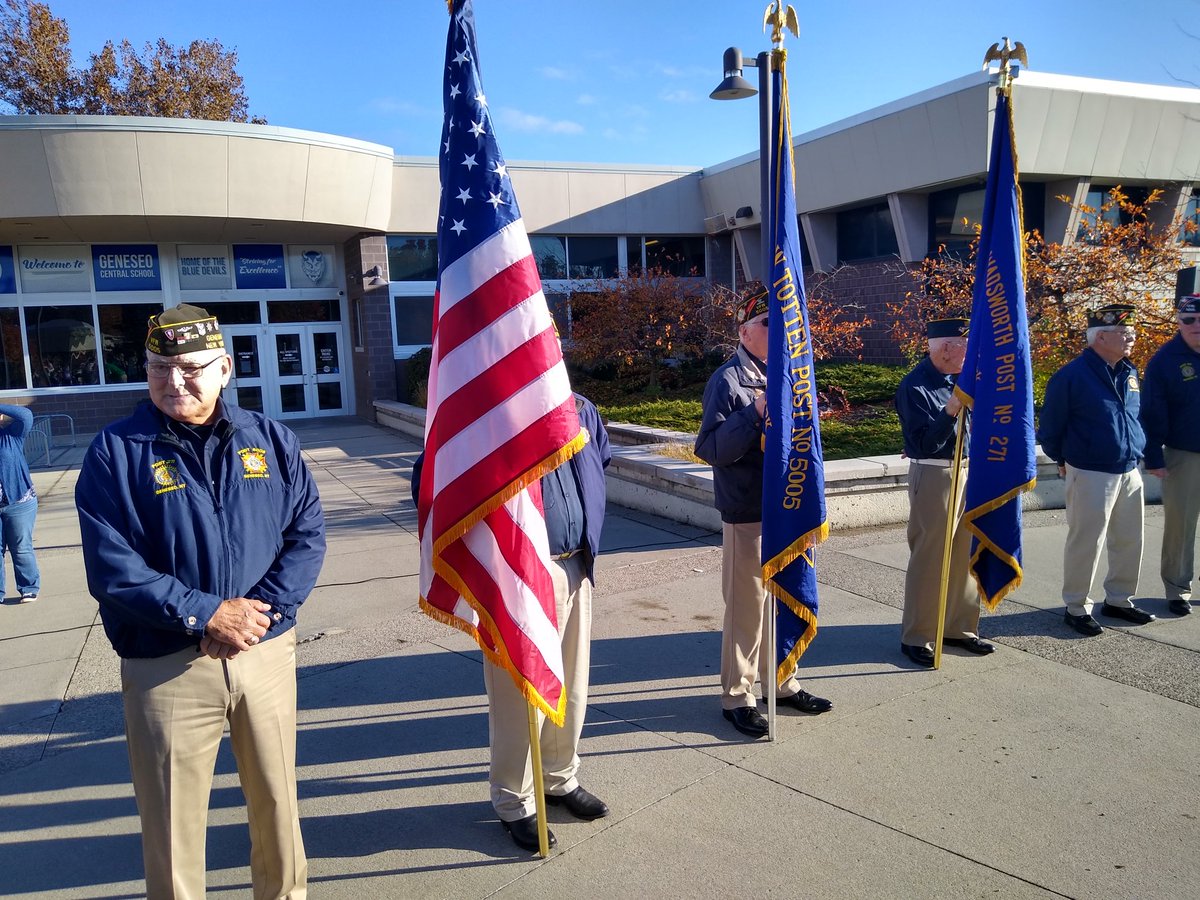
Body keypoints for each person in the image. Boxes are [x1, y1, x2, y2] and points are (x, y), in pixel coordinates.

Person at [76, 303, 326, 899]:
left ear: (225, 368)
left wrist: (255, 615)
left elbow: (306, 534)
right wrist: (206, 612)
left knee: (277, 801)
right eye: (159, 367)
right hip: (166, 665)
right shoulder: (117, 451)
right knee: (171, 825)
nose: (174, 381)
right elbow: (113, 568)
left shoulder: (270, 440)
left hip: (263, 652)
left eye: (190, 367)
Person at [412, 391, 611, 853]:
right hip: (517, 577)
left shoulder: (579, 406)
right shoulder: (481, 406)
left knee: (572, 687)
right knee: (517, 696)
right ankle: (514, 800)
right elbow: (432, 480)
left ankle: (559, 777)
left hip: (573, 565)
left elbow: (600, 458)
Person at [694, 289, 832, 740]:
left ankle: (783, 680)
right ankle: (738, 695)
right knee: (748, 608)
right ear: (744, 330)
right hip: (748, 511)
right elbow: (711, 448)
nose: (778, 332)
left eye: (781, 325)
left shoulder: (793, 375)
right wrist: (755, 412)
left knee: (785, 599)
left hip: (789, 512)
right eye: (768, 324)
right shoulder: (729, 380)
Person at [1038, 303, 1153, 637]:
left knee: (1130, 539)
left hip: (1129, 468)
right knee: (1087, 541)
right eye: (1124, 333)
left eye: (1131, 332)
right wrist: (1063, 459)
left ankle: (1119, 600)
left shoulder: (1129, 371)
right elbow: (1051, 427)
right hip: (1090, 471)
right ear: (1100, 337)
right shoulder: (1071, 375)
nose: (1131, 338)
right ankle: (1077, 607)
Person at [894, 318, 995, 667]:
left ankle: (959, 628)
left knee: (965, 553)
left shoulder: (962, 380)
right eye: (967, 347)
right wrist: (950, 409)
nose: (973, 354)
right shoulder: (916, 386)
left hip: (967, 472)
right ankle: (918, 635)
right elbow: (923, 442)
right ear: (946, 348)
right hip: (934, 476)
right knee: (930, 556)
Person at [1140, 295, 1200, 616]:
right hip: (1184, 454)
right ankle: (1177, 589)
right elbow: (1152, 413)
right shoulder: (1165, 361)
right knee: (1181, 526)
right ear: (1178, 323)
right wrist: (1154, 456)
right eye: (1188, 320)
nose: (1196, 326)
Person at [0, 403, 41, 603]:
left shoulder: (12, 435)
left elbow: (25, 415)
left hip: (19, 501)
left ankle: (28, 587)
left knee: (21, 547)